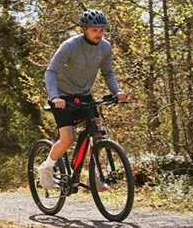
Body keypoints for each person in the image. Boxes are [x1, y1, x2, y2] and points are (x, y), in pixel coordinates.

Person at [37, 10, 128, 189]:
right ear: (85, 29)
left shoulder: (105, 48)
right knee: (68, 138)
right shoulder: (70, 46)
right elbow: (51, 71)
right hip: (62, 96)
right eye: (95, 30)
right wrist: (54, 96)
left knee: (97, 134)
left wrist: (116, 91)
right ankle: (46, 168)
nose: (99, 34)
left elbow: (108, 72)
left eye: (102, 30)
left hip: (84, 94)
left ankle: (92, 175)